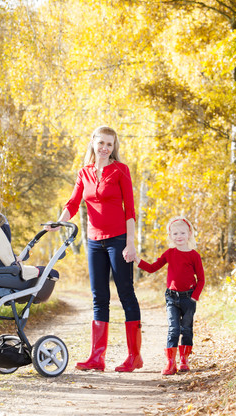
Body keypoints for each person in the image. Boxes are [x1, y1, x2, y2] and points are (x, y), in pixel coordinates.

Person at [52, 125, 142, 372]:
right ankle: (97, 357)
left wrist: (130, 243)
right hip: (94, 241)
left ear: (114, 148)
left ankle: (134, 356)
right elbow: (72, 203)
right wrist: (59, 222)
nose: (104, 148)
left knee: (126, 293)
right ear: (93, 142)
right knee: (98, 298)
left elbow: (130, 210)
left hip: (118, 240)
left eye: (109, 145)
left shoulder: (121, 171)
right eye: (101, 143)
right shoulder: (84, 173)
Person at [136, 216, 205, 375]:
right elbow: (153, 268)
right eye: (175, 234)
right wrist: (137, 260)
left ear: (189, 234)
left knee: (186, 329)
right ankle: (170, 362)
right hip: (172, 298)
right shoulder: (169, 253)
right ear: (170, 236)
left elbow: (201, 279)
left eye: (182, 233)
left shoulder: (194, 255)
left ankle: (184, 360)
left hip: (189, 298)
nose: (179, 236)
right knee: (174, 328)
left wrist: (195, 297)